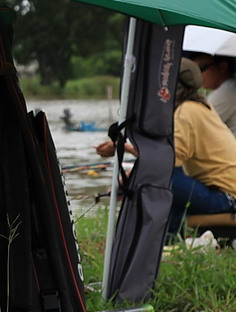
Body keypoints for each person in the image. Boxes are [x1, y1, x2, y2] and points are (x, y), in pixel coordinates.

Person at [97, 58, 236, 235]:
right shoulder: (201, 106)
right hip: (220, 193)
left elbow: (166, 160)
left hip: (226, 198)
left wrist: (125, 175)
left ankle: (163, 232)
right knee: (162, 182)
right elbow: (167, 156)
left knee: (159, 178)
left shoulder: (187, 111)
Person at [187, 52, 236, 137]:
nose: (197, 75)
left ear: (222, 67)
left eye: (201, 69)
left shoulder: (227, 91)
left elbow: (194, 127)